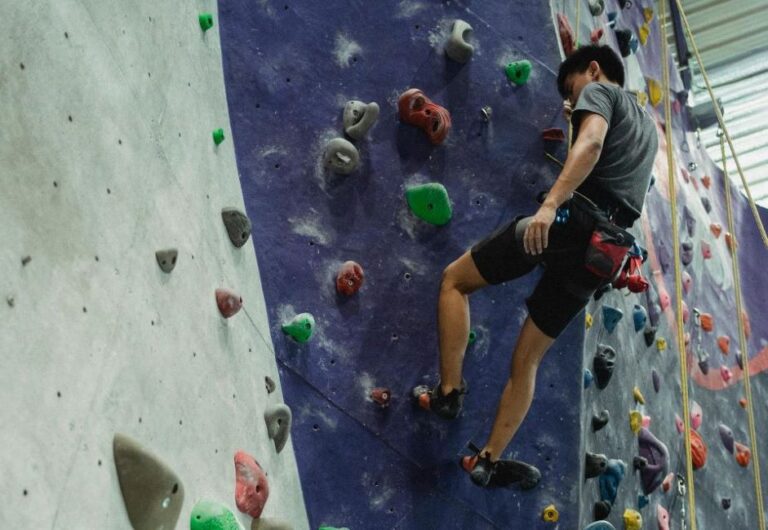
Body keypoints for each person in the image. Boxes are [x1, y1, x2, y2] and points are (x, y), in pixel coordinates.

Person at [416, 44, 659, 487]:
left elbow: (591, 145)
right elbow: (609, 169)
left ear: (593, 69)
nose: (573, 99)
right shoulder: (649, 131)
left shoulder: (601, 93)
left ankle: (449, 393)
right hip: (605, 251)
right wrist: (573, 118)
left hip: (571, 219)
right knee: (528, 359)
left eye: (572, 88)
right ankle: (489, 459)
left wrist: (549, 206)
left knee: (455, 281)